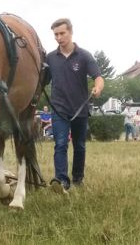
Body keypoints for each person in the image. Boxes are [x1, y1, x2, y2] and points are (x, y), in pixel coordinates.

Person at [46, 18, 104, 194]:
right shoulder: (50, 58)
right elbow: (42, 80)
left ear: (70, 32)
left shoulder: (84, 56)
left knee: (79, 146)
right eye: (56, 34)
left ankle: (78, 178)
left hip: (80, 108)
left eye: (62, 33)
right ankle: (62, 181)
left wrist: (98, 88)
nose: (59, 37)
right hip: (59, 109)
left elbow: (98, 77)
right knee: (61, 144)